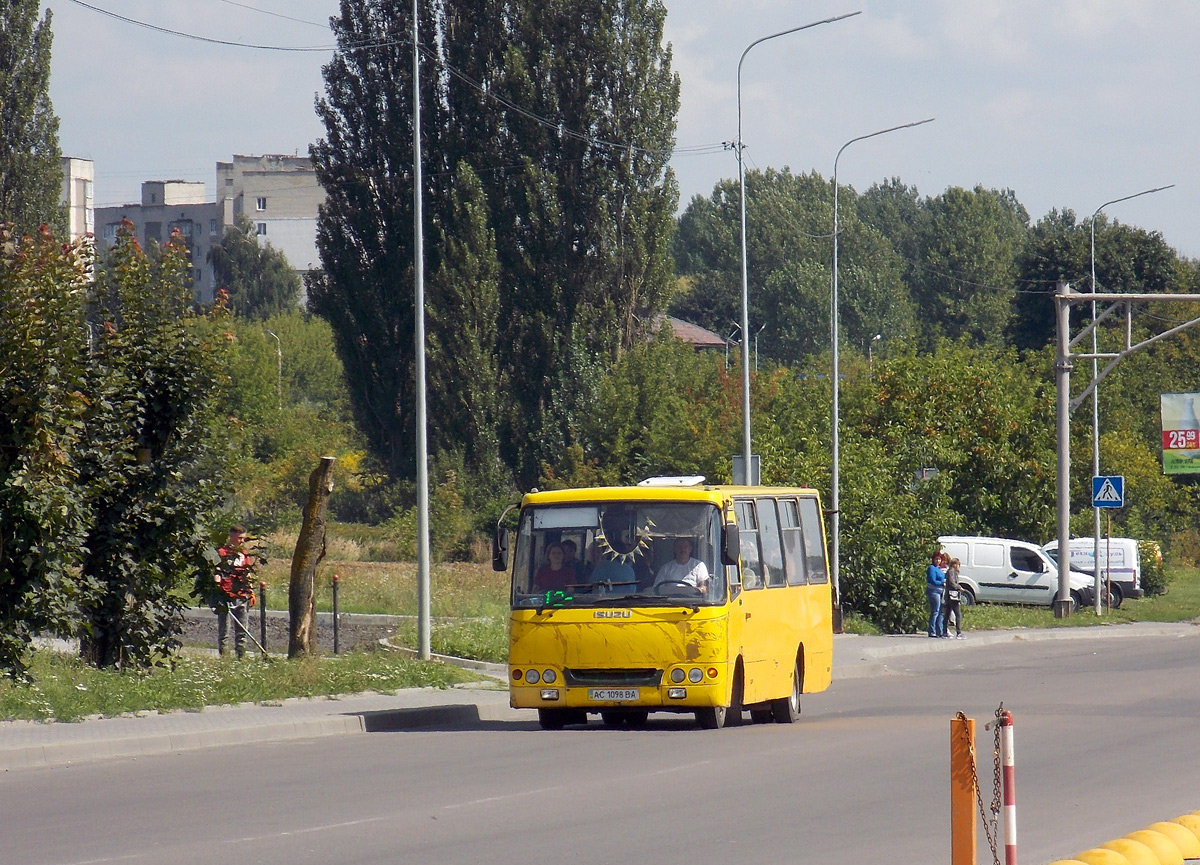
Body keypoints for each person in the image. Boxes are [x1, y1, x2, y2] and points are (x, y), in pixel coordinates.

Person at [213, 525, 257, 658]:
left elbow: (247, 573)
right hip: (226, 595)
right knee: (224, 629)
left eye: (243, 538)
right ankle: (224, 655)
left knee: (242, 629)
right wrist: (217, 589)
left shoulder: (244, 554)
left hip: (242, 594)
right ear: (232, 537)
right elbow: (217, 572)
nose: (242, 541)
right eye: (239, 538)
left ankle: (241, 655)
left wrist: (250, 591)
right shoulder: (222, 553)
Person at [926, 551, 947, 638]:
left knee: (940, 612)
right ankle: (932, 631)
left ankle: (940, 631)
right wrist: (942, 582)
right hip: (934, 591)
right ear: (933, 559)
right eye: (936, 559)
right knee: (935, 611)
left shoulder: (939, 569)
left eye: (939, 559)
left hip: (941, 591)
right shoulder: (931, 568)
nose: (938, 561)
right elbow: (932, 580)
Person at [943, 556, 964, 638]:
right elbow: (952, 582)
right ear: (955, 564)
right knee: (958, 614)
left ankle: (944, 632)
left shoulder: (951, 571)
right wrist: (959, 587)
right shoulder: (952, 571)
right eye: (958, 564)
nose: (959, 566)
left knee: (947, 614)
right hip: (952, 596)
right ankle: (958, 633)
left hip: (949, 595)